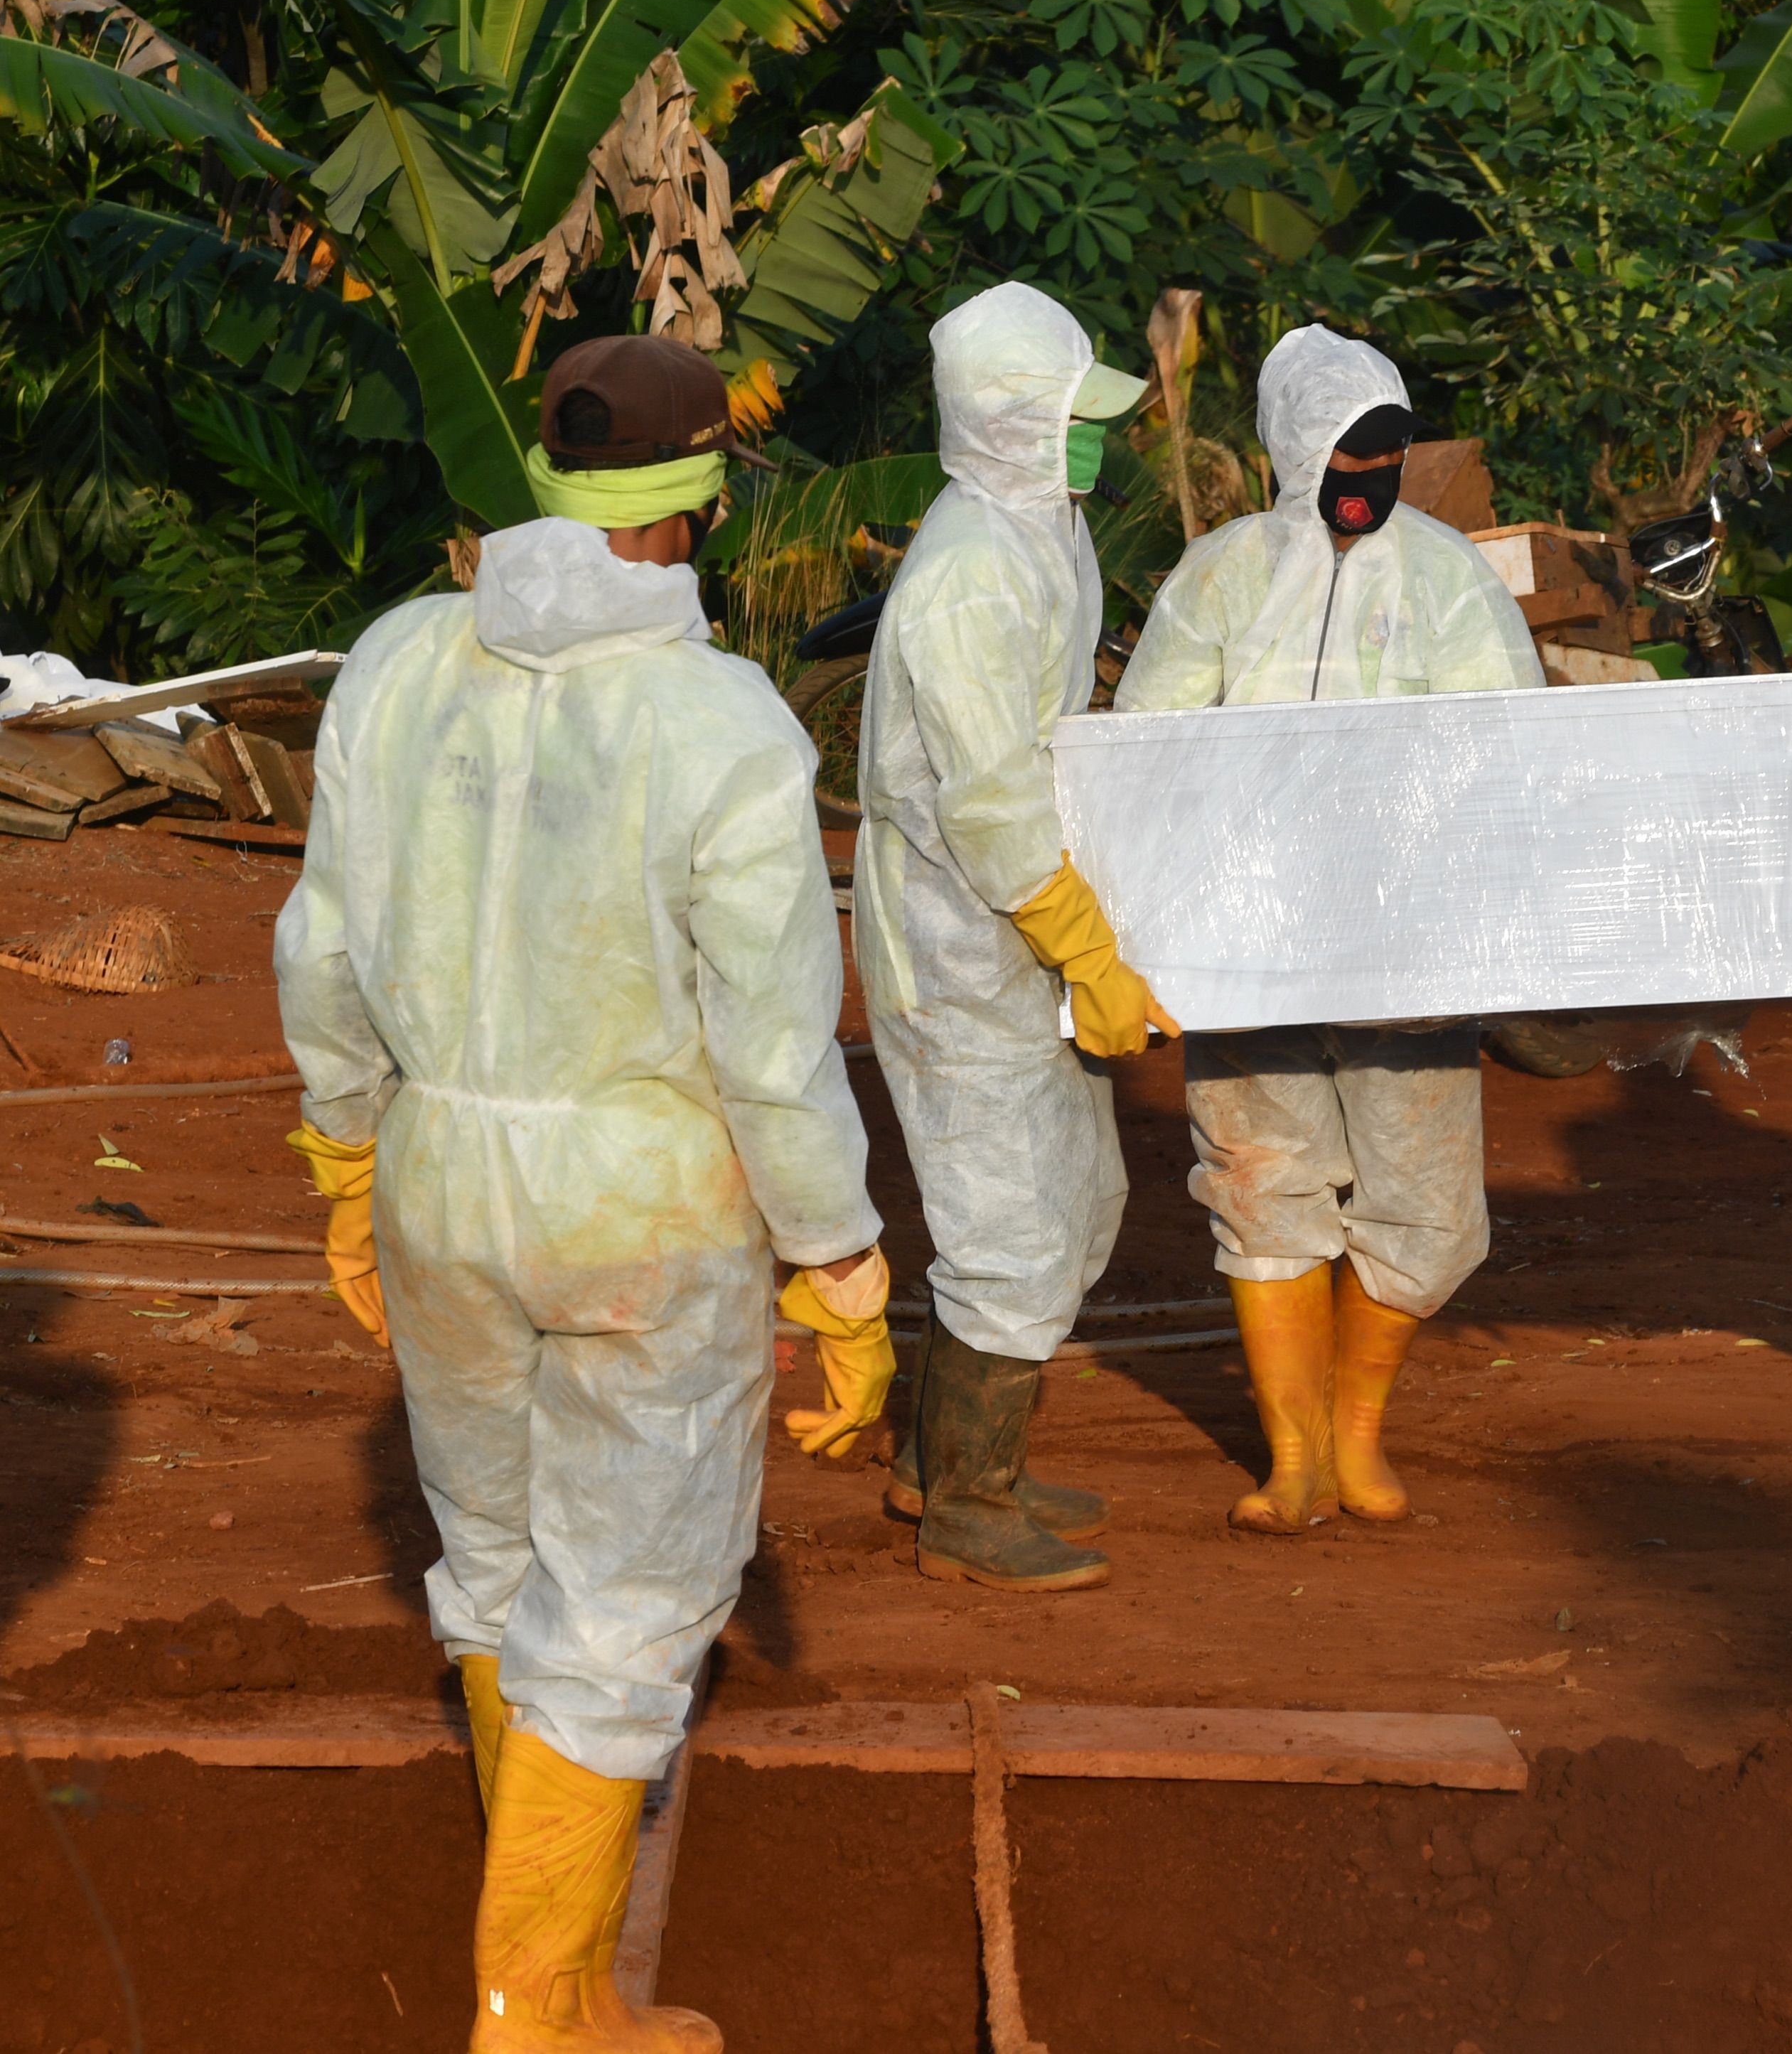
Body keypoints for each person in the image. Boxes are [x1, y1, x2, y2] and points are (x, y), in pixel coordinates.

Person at [278, 330, 889, 2050]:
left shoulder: (398, 661)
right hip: (644, 1203)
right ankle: (539, 2013)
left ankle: (541, 1961)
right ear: (695, 504)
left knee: (491, 1565)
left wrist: (345, 1157)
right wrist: (838, 1260)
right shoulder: (720, 720)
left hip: (439, 1174)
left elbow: (319, 943)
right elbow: (773, 1048)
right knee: (621, 1614)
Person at [1114, 323, 1539, 1533]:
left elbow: (1509, 748)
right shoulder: (1224, 577)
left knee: (1432, 1210)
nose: (1370, 485)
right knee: (1261, 1184)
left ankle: (1360, 1435)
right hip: (1245, 948)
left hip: (1407, 948)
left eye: (1391, 461)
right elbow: (1151, 744)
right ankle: (1296, 1457)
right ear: (1300, 453)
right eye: (1350, 460)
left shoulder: (1449, 575)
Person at [854, 281, 1171, 1596]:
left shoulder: (1040, 527)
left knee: (1078, 1198)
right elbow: (989, 812)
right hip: (962, 937)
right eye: (1069, 421)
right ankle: (969, 1508)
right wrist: (1086, 951)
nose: (1091, 443)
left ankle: (946, 1455)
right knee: (1007, 1227)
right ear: (1008, 426)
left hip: (1011, 933)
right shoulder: (970, 580)